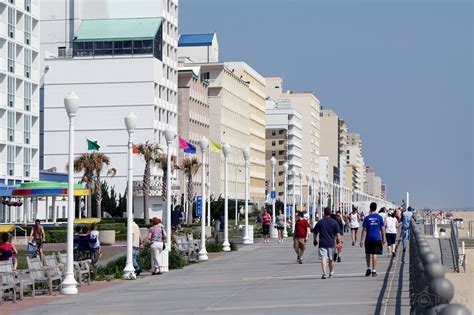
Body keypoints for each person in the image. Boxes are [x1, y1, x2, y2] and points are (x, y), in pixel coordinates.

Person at [313, 207, 342, 279]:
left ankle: (324, 273)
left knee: (323, 258)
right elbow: (338, 234)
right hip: (331, 243)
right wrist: (339, 242)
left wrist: (315, 240)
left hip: (322, 243)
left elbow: (315, 232)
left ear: (324, 213)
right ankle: (331, 272)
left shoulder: (320, 222)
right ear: (330, 213)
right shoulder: (334, 222)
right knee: (331, 259)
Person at [360, 202, 385, 277]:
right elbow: (382, 228)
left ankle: (368, 268)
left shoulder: (367, 218)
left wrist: (361, 240)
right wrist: (383, 238)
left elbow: (364, 230)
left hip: (368, 238)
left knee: (367, 253)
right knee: (374, 254)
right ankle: (374, 271)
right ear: (376, 208)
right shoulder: (379, 217)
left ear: (370, 208)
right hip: (377, 238)